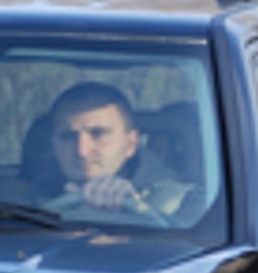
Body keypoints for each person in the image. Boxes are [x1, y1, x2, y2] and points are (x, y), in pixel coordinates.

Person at [42, 82, 194, 221]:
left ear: (130, 144)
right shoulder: (21, 203)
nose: (82, 151)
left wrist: (135, 209)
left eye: (98, 134)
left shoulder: (185, 204)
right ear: (52, 145)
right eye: (68, 137)